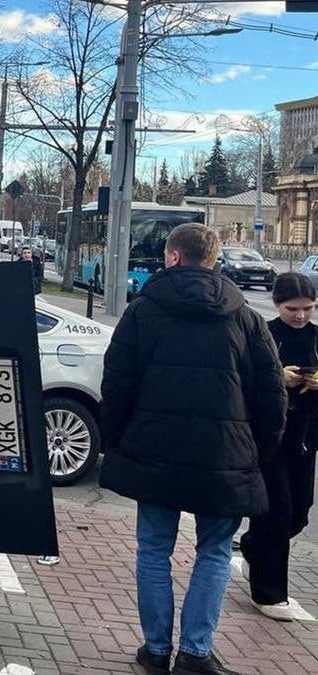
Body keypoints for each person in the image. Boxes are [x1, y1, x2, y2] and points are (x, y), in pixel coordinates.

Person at [100, 223, 286, 675]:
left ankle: (156, 650)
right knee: (215, 552)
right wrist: (256, 451)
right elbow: (272, 395)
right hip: (226, 454)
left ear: (173, 258)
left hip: (154, 451)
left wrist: (118, 442)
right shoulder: (246, 317)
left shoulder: (143, 312)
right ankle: (196, 654)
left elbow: (117, 383)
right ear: (214, 260)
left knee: (153, 548)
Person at [239, 272, 318, 621]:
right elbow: (244, 380)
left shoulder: (316, 336)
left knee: (300, 511)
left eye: (308, 308)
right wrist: (278, 377)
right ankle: (269, 593)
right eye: (292, 309)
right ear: (277, 305)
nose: (300, 315)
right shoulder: (265, 334)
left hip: (305, 436)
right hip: (270, 436)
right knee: (279, 509)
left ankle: (254, 548)